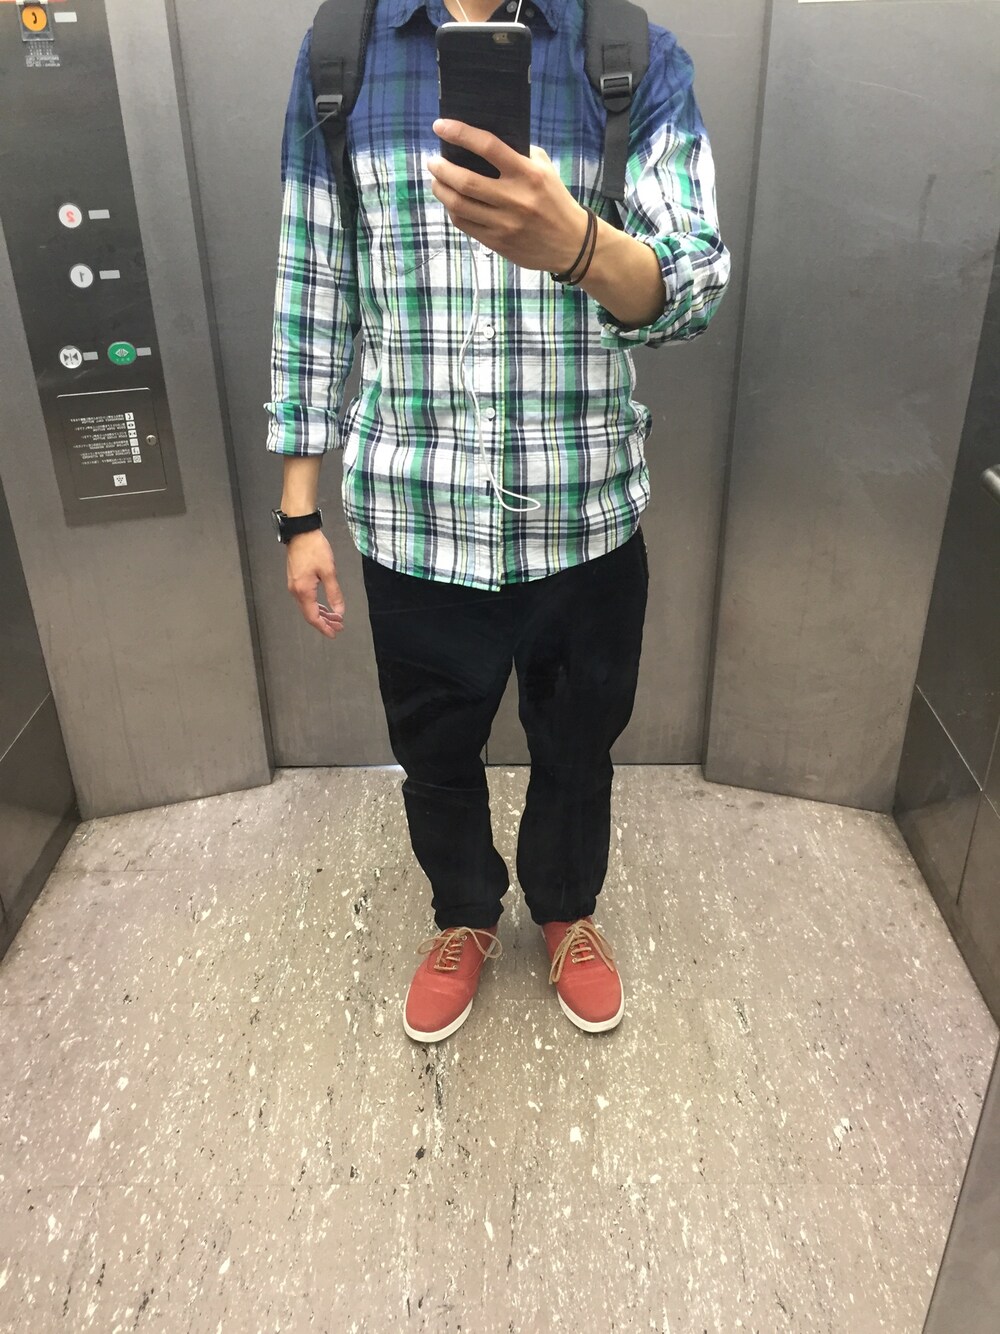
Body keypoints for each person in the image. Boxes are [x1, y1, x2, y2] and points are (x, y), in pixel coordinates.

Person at [265, 0, 730, 1043]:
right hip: (415, 515)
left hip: (584, 514)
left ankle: (564, 906)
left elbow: (695, 280)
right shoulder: (343, 54)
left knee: (579, 745)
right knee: (433, 750)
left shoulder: (626, 54)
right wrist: (297, 513)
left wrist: (580, 247)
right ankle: (465, 911)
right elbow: (313, 287)